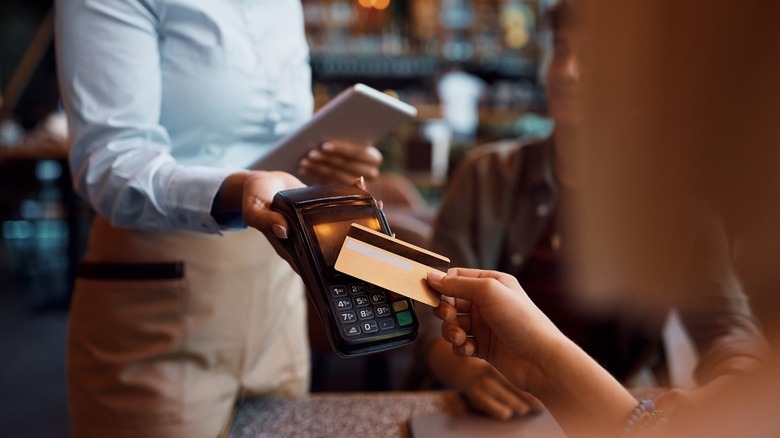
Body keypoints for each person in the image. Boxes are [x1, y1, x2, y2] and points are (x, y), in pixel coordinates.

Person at [413, 0, 766, 421]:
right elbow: (433, 319)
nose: (570, 71)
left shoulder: (677, 198)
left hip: (607, 410)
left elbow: (730, 333)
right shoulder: (484, 174)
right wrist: (470, 371)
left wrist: (728, 390)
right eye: (561, 50)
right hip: (497, 413)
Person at [56, 2, 382, 437]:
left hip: (277, 293)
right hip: (163, 304)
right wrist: (237, 187)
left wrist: (327, 165)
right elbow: (108, 165)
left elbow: (275, 146)